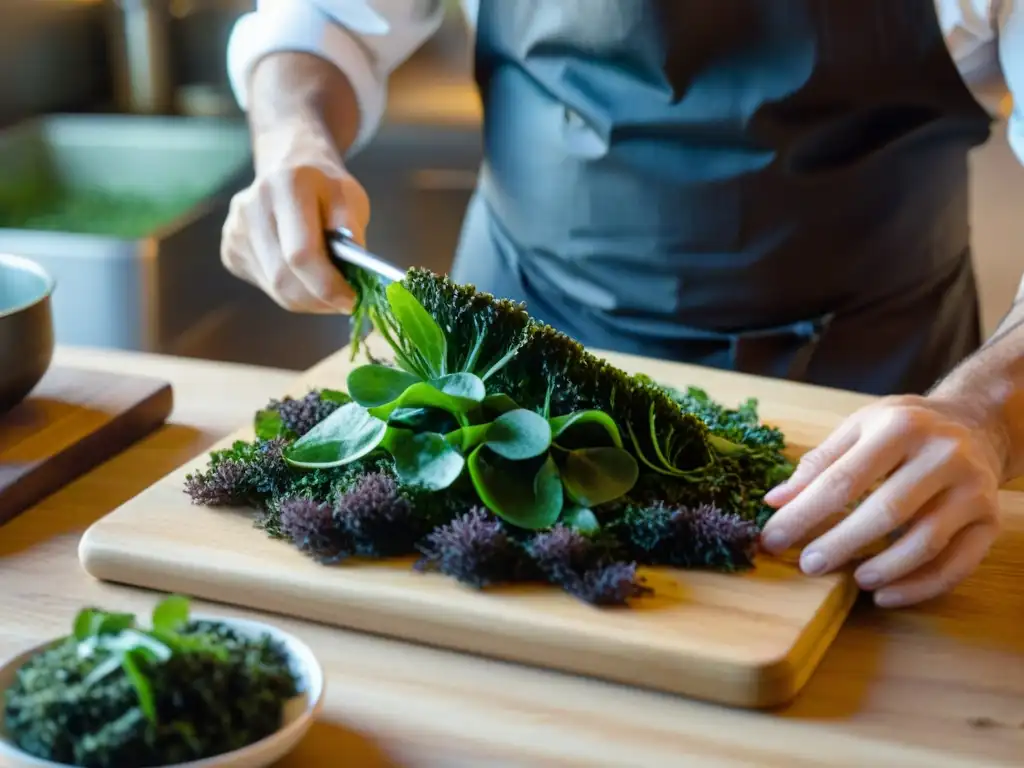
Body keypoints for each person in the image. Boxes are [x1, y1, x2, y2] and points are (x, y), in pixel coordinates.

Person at [221, 1, 1024, 608]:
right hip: (510, 376)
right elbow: (325, 19)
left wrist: (985, 411)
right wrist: (293, 137)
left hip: (873, 396)